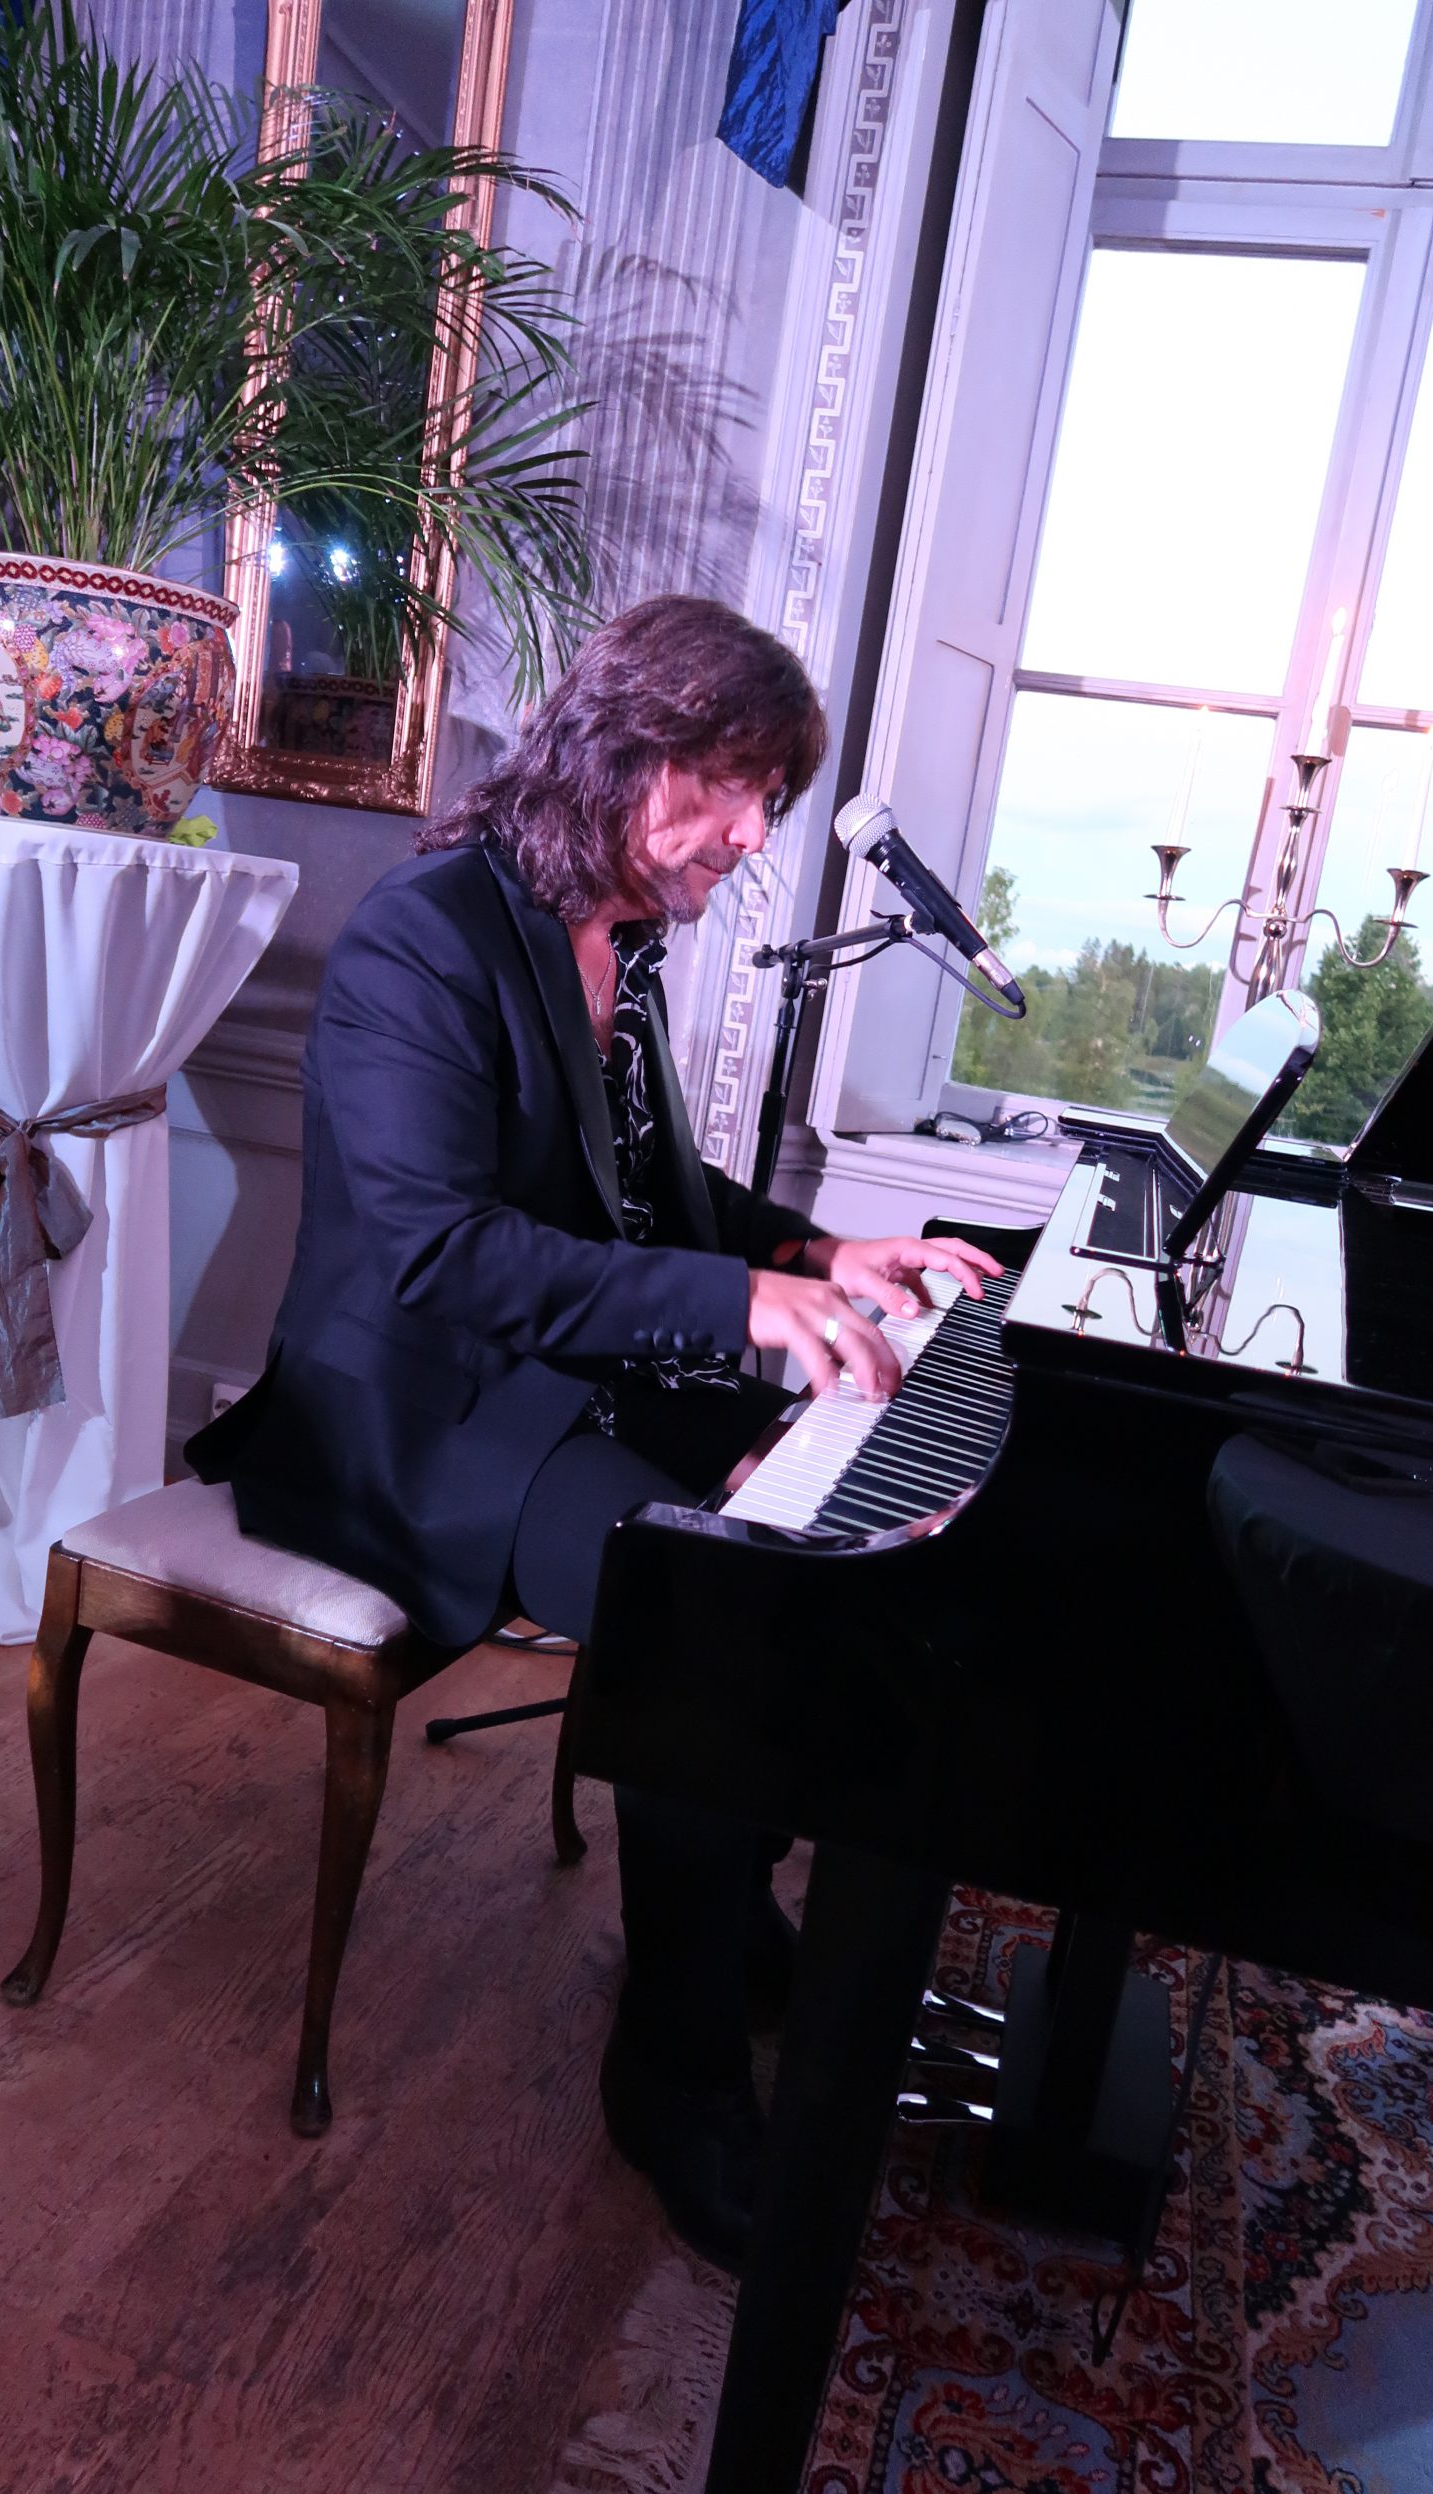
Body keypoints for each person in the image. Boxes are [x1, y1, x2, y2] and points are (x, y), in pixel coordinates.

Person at [190, 595, 999, 2271]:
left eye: (770, 798)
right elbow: (439, 1252)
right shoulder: (424, 937)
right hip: (414, 1412)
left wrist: (814, 1252)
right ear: (628, 749)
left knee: (823, 1553)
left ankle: (728, 1915)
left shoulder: (614, 936)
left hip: (559, 1375)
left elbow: (650, 1189)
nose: (755, 835)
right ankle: (675, 2082)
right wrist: (740, 1306)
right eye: (734, 785)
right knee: (700, 1625)